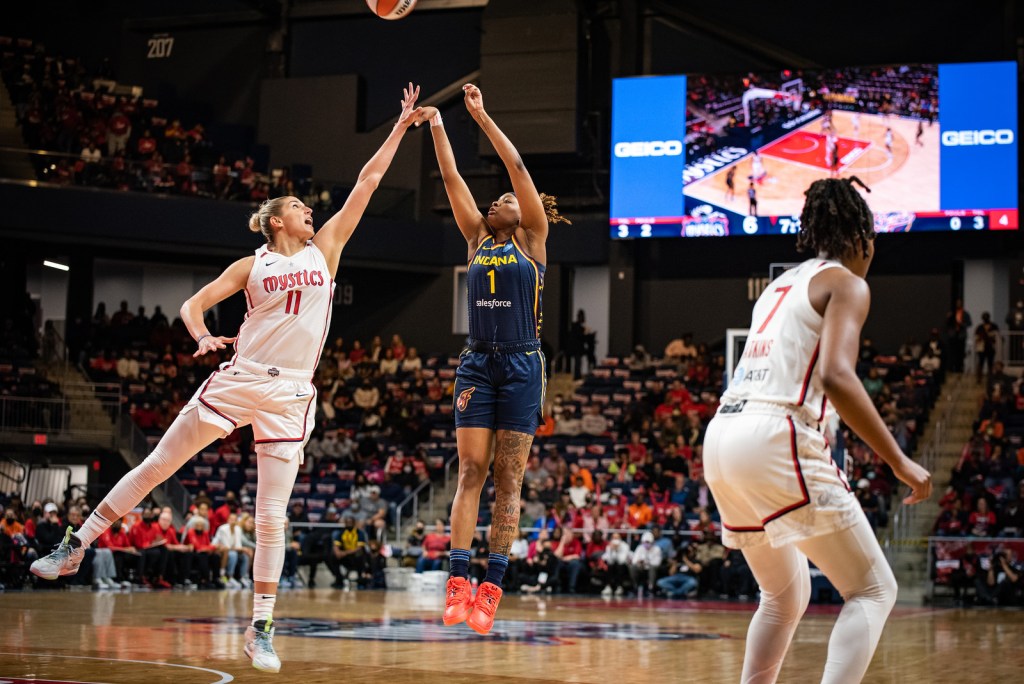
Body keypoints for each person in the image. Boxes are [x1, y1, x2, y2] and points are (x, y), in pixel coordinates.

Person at [29, 83, 431, 674]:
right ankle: (74, 546)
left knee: (273, 517)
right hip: (241, 375)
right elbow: (194, 305)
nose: (310, 212)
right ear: (274, 220)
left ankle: (260, 629)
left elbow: (366, 183)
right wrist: (199, 336)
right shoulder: (252, 264)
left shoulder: (327, 250)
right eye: (298, 207)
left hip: (293, 392)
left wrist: (399, 127)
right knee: (156, 467)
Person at [702, 176, 931, 683]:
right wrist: (899, 460)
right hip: (773, 433)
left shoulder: (778, 288)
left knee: (784, 595)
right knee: (872, 590)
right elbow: (835, 375)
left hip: (721, 434)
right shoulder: (847, 282)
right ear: (864, 241)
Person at [423, 84, 570, 637]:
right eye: (497, 202)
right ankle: (458, 580)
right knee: (471, 473)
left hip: (524, 364)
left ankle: (493, 586)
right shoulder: (475, 238)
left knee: (509, 482)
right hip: (478, 363)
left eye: (506, 200)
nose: (498, 202)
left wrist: (482, 116)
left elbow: (516, 165)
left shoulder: (533, 238)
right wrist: (439, 126)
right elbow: (453, 179)